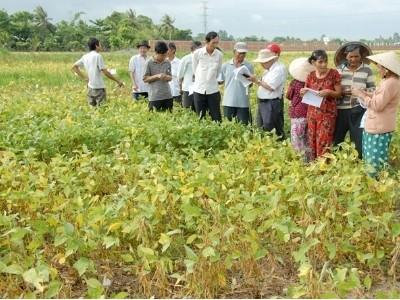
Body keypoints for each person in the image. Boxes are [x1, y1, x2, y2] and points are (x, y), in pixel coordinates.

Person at [351, 51, 400, 176]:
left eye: (379, 66)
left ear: (387, 69)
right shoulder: (388, 81)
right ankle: (374, 187)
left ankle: (376, 187)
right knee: (371, 160)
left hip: (379, 127)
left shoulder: (390, 83)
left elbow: (377, 105)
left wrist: (360, 94)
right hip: (376, 126)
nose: (378, 69)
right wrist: (367, 93)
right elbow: (379, 97)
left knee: (374, 162)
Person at [333, 42, 375, 158]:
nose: (353, 59)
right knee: (337, 138)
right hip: (341, 109)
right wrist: (342, 92)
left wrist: (361, 92)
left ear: (361, 56)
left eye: (356, 56)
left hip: (359, 109)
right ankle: (336, 160)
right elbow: (333, 88)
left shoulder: (367, 70)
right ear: (346, 56)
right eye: (351, 56)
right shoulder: (338, 70)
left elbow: (372, 89)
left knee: (358, 139)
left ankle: (357, 161)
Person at [300, 50, 341, 161]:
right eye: (321, 62)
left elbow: (339, 94)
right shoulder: (311, 76)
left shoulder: (334, 74)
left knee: (324, 140)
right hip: (312, 113)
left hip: (327, 114)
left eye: (325, 61)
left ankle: (324, 167)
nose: (324, 64)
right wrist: (303, 92)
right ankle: (314, 165)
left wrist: (329, 92)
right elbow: (306, 90)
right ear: (314, 63)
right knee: (312, 140)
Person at [72, 37, 124, 107]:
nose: (101, 46)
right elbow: (105, 72)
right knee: (102, 110)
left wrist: (85, 78)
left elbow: (74, 67)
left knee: (92, 111)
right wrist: (118, 81)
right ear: (96, 46)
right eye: (100, 44)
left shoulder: (85, 56)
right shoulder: (98, 56)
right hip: (99, 88)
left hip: (90, 88)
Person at [249, 49, 287, 139]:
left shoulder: (278, 69)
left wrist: (256, 81)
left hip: (272, 103)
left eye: (263, 62)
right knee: (262, 126)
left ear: (269, 60)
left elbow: (271, 87)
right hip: (264, 102)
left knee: (271, 127)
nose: (261, 64)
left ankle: (278, 145)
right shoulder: (268, 70)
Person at [219, 42, 254, 125]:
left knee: (245, 126)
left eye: (244, 53)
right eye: (240, 53)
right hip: (228, 102)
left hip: (243, 102)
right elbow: (220, 81)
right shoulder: (225, 66)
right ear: (234, 52)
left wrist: (248, 80)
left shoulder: (249, 66)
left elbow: (251, 84)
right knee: (228, 126)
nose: (242, 55)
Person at [286, 57, 314, 159]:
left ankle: (300, 161)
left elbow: (288, 96)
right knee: (307, 138)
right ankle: (309, 160)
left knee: (297, 139)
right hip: (309, 113)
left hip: (297, 113)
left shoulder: (295, 83)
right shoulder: (311, 83)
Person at [192, 31, 223, 122]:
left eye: (217, 43)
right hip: (199, 90)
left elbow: (218, 72)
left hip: (213, 90)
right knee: (200, 117)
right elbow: (195, 70)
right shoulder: (197, 53)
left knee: (216, 118)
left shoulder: (219, 55)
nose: (215, 45)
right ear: (206, 41)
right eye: (213, 43)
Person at [143, 41, 173, 112]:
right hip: (155, 97)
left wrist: (166, 77)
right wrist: (157, 76)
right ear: (156, 53)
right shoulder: (149, 63)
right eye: (162, 55)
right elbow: (145, 79)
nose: (164, 57)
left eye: (165, 55)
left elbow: (170, 77)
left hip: (167, 96)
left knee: (169, 118)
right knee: (154, 120)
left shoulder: (167, 62)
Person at [177, 41, 202, 111]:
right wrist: (180, 86)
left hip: (200, 89)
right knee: (187, 109)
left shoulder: (203, 59)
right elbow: (179, 75)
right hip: (188, 89)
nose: (201, 51)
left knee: (198, 110)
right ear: (193, 49)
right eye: (199, 49)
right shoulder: (186, 59)